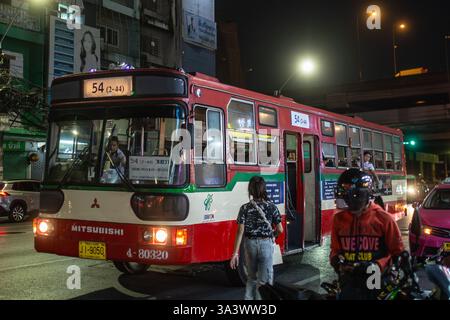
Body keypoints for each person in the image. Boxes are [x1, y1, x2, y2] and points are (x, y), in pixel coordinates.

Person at [330, 168, 404, 300]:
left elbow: (397, 252)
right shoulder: (338, 219)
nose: (348, 202)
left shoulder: (384, 218)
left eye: (351, 196)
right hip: (349, 280)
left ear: (362, 195)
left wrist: (376, 265)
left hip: (375, 279)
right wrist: (337, 261)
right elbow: (335, 250)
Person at [230, 176, 283, 300]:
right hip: (266, 244)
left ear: (250, 191)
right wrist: (272, 236)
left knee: (251, 278)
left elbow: (240, 231)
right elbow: (280, 229)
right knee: (265, 281)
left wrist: (235, 254)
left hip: (250, 244)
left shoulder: (244, 208)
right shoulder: (271, 207)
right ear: (264, 189)